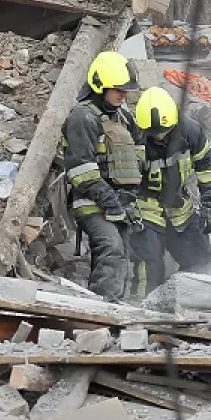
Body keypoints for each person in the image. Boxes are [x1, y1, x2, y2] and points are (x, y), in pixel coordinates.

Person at [60, 50, 141, 301]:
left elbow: (137, 156)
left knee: (126, 254)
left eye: (125, 89)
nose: (123, 94)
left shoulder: (123, 118)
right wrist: (109, 201)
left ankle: (112, 306)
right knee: (111, 248)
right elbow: (81, 170)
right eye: (118, 89)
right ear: (100, 86)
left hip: (119, 201)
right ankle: (101, 311)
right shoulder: (82, 117)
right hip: (90, 202)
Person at [128, 86, 211, 296]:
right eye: (153, 132)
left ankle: (182, 303)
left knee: (201, 261)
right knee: (149, 265)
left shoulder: (191, 131)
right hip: (145, 208)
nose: (159, 136)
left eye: (163, 131)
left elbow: (206, 169)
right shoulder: (134, 136)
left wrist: (209, 207)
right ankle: (142, 311)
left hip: (180, 208)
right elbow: (124, 180)